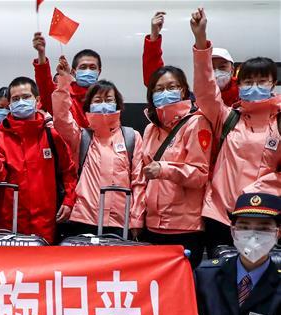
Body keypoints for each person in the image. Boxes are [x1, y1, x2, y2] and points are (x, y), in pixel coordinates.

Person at [190, 8, 281, 257]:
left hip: (263, 213)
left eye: (262, 81)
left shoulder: (279, 121)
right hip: (220, 213)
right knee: (221, 278)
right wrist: (200, 41)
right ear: (238, 85)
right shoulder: (228, 117)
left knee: (261, 277)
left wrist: (263, 187)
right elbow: (206, 90)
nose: (255, 86)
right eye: (248, 82)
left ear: (273, 84)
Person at [51, 56, 146, 238]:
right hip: (83, 219)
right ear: (88, 106)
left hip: (121, 221)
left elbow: (139, 182)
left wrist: (136, 219)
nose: (103, 104)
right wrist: (63, 81)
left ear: (117, 104)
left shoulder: (131, 137)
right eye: (97, 100)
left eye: (108, 99)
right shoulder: (81, 136)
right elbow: (61, 118)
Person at [0, 76, 77, 244]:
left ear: (36, 100)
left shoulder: (52, 136)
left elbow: (69, 171)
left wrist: (69, 200)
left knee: (45, 269)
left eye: (26, 97)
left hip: (45, 224)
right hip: (9, 225)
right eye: (15, 99)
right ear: (10, 104)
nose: (21, 102)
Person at [139, 65, 212, 267]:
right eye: (159, 89)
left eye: (172, 87)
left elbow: (200, 174)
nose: (165, 93)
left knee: (182, 290)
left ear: (183, 90)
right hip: (152, 225)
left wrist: (164, 169)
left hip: (185, 227)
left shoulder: (196, 123)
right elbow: (141, 178)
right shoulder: (149, 129)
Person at [143, 11, 239, 106]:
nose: (216, 72)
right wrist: (154, 37)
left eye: (222, 67)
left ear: (232, 69)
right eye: (211, 68)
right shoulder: (194, 101)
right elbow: (155, 78)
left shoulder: (245, 94)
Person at [32, 31, 101, 128]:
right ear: (74, 71)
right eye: (83, 67)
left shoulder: (106, 97)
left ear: (99, 72)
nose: (87, 71)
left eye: (92, 68)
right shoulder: (65, 96)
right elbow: (45, 88)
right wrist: (41, 54)